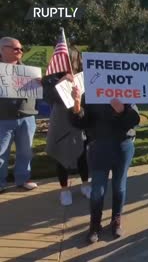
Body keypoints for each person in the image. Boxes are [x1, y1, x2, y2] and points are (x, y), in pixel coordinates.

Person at [71, 85, 139, 243]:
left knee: (119, 187)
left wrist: (122, 110)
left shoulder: (126, 90)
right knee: (97, 190)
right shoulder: (90, 94)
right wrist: (76, 105)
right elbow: (80, 122)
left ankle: (116, 220)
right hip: (99, 146)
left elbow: (135, 120)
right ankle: (95, 224)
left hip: (123, 145)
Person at [43, 71, 90, 206]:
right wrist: (61, 81)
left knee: (81, 153)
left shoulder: (82, 77)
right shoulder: (50, 79)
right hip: (60, 121)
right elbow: (49, 97)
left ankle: (85, 184)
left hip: (78, 117)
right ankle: (64, 190)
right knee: (61, 153)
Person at [0, 37, 38, 192]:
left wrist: (40, 83)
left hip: (27, 117)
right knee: (1, 152)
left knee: (26, 151)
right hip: (3, 118)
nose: (20, 51)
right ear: (2, 50)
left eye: (21, 49)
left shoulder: (29, 71)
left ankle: (23, 179)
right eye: (15, 48)